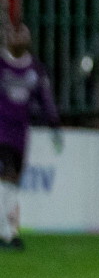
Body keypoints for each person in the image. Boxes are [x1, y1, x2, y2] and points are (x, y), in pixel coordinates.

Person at [1, 23, 62, 251]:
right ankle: (5, 233)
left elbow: (44, 98)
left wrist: (54, 124)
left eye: (22, 34)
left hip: (20, 132)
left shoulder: (34, 69)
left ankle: (8, 231)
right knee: (6, 175)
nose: (18, 39)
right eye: (14, 34)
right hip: (1, 129)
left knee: (14, 181)